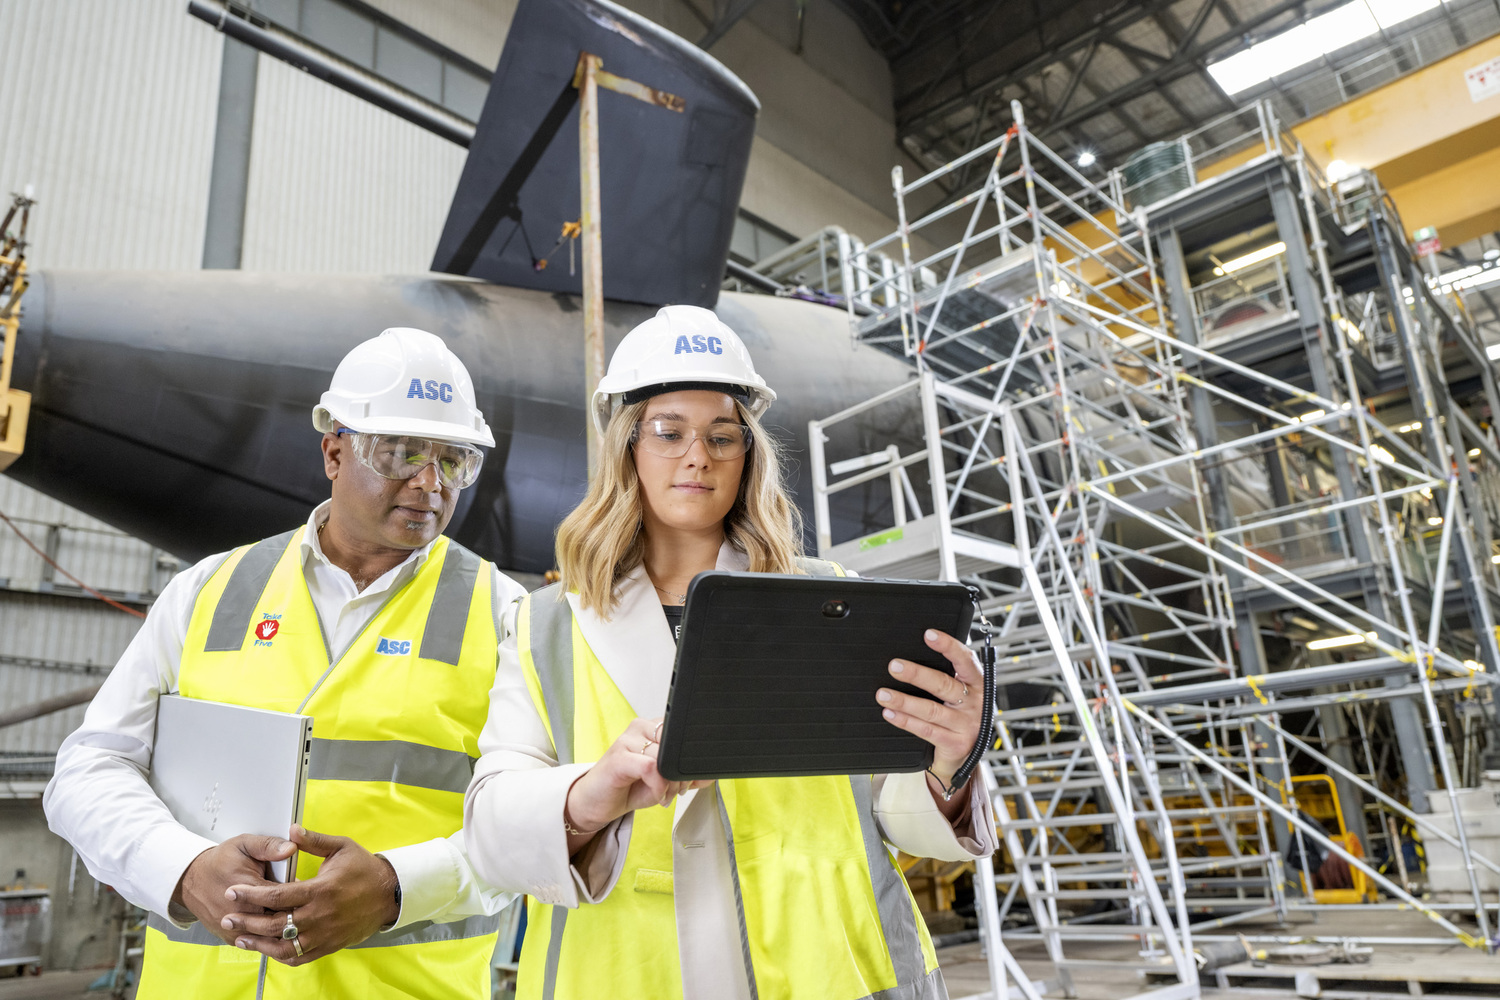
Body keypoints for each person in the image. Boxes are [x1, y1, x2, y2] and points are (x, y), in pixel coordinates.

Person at [463, 305, 997, 999]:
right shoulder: (543, 628)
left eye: (723, 436)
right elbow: (488, 831)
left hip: (826, 975)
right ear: (627, 445)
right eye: (669, 432)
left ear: (749, 453)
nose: (698, 456)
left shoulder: (831, 598)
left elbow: (892, 811)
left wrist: (947, 762)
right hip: (628, 977)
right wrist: (590, 795)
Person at [45, 328, 527, 999]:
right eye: (400, 453)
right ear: (334, 450)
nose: (430, 483)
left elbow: (536, 826)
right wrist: (182, 869)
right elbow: (88, 769)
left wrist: (395, 887)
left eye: (454, 461)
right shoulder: (210, 590)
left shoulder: (506, 616)